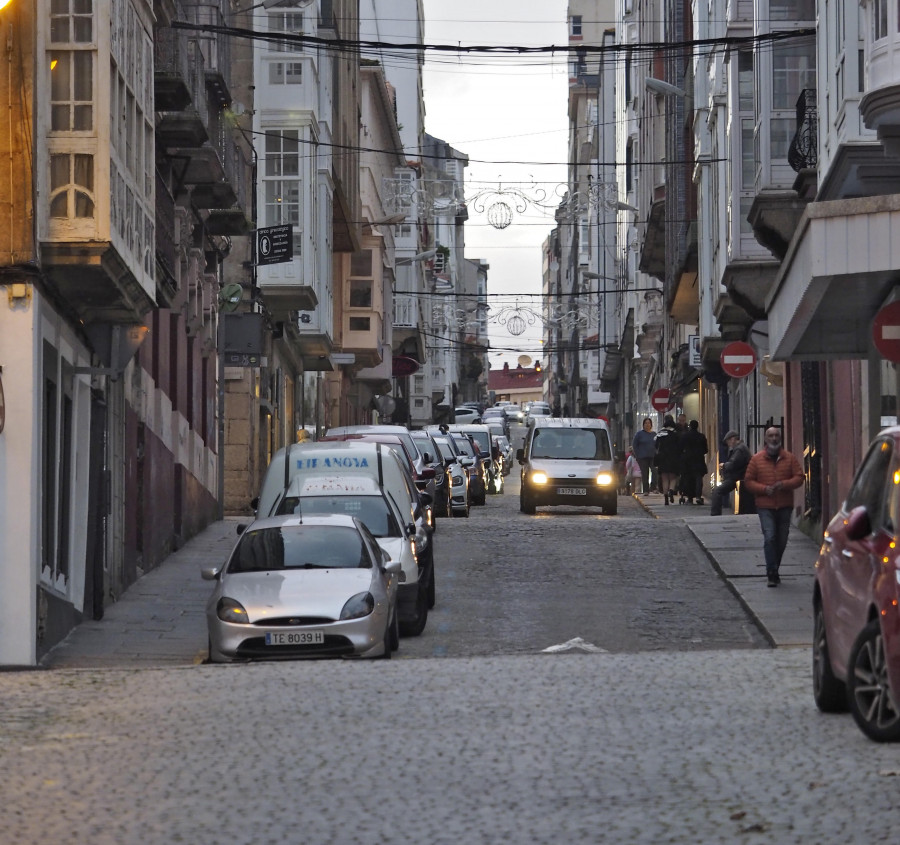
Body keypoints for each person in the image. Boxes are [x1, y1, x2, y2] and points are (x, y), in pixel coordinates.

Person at [742, 427, 804, 587]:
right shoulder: (756, 459)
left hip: (784, 505)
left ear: (780, 438)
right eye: (771, 435)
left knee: (781, 540)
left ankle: (774, 567)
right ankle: (771, 572)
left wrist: (784, 484)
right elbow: (748, 481)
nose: (774, 438)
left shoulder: (789, 458)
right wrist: (764, 489)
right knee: (770, 537)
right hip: (765, 505)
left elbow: (799, 477)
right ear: (765, 439)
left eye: (776, 435)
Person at [709, 430, 751, 516]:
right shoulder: (740, 448)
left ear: (733, 439)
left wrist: (724, 465)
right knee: (718, 490)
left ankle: (715, 514)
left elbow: (733, 463)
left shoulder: (739, 449)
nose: (728, 444)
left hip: (737, 477)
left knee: (717, 491)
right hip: (738, 475)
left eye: (728, 441)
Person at [654, 415, 682, 505]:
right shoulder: (675, 433)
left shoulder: (660, 433)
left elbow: (656, 446)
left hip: (662, 458)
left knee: (664, 478)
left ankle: (666, 497)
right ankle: (671, 490)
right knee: (673, 478)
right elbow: (680, 446)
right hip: (673, 458)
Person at [680, 420, 708, 504]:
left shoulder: (685, 436)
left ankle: (690, 498)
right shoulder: (701, 436)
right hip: (698, 459)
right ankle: (698, 496)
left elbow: (680, 448)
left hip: (688, 460)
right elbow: (705, 449)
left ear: (690, 426)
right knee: (698, 478)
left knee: (688, 478)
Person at [631, 418, 657, 495]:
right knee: (645, 473)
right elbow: (635, 445)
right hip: (642, 457)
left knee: (654, 472)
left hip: (653, 456)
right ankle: (646, 490)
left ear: (651, 425)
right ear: (643, 425)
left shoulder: (654, 434)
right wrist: (637, 455)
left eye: (649, 423)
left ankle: (653, 487)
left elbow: (657, 445)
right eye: (645, 423)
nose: (647, 425)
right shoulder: (639, 434)